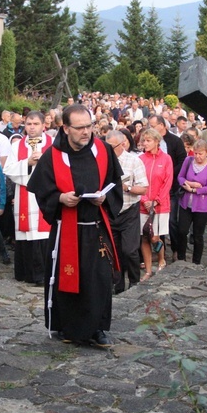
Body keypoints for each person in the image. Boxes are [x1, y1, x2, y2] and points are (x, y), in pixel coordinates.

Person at [28, 104, 123, 346]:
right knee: (67, 278)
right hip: (66, 228)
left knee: (99, 279)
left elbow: (115, 184)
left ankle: (98, 328)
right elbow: (41, 190)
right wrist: (60, 198)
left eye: (89, 126)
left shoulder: (102, 150)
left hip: (96, 226)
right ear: (66, 128)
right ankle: (68, 327)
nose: (87, 132)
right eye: (80, 128)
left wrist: (105, 198)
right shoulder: (52, 155)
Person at [3, 111, 53, 285]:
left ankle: (44, 274)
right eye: (29, 124)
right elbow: (8, 169)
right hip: (25, 194)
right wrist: (28, 164)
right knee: (27, 234)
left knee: (44, 234)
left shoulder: (53, 144)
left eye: (36, 124)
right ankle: (28, 273)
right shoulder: (17, 146)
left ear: (43, 125)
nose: (32, 127)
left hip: (46, 195)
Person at [105, 130, 147, 293]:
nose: (108, 150)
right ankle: (118, 283)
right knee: (114, 251)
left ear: (122, 144)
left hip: (129, 211)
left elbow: (143, 188)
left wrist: (126, 187)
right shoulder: (104, 161)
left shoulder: (134, 161)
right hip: (110, 211)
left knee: (129, 250)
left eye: (112, 147)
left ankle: (135, 281)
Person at [147, 115, 186, 261]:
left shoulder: (175, 141)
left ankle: (176, 249)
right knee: (156, 222)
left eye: (153, 125)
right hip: (155, 187)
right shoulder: (150, 143)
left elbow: (182, 161)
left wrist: (168, 173)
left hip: (172, 187)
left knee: (171, 221)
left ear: (162, 125)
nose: (151, 128)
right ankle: (159, 251)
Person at [138, 128, 173, 281]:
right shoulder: (139, 159)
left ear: (157, 141)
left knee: (155, 237)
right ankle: (148, 269)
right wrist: (145, 200)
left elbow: (168, 182)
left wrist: (156, 200)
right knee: (144, 237)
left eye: (148, 140)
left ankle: (161, 259)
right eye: (143, 140)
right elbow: (136, 181)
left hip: (160, 206)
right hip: (143, 205)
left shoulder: (166, 159)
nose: (145, 143)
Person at [176, 139, 207, 264]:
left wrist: (194, 190)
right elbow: (180, 177)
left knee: (198, 235)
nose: (198, 156)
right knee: (182, 230)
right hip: (186, 203)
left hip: (202, 205)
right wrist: (188, 184)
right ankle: (181, 258)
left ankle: (196, 261)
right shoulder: (188, 161)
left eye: (201, 154)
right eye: (196, 153)